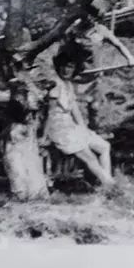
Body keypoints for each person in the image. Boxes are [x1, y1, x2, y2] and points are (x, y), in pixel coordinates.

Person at [42, 51, 114, 187]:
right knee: (90, 157)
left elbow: (74, 108)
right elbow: (50, 113)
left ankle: (105, 182)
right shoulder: (55, 85)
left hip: (70, 126)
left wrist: (82, 127)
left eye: (70, 66)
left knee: (105, 146)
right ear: (58, 66)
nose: (66, 70)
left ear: (75, 68)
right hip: (58, 129)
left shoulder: (68, 84)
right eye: (63, 66)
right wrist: (44, 136)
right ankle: (111, 186)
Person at [58, 9, 134, 127]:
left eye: (92, 18)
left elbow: (118, 44)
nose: (90, 20)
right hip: (77, 75)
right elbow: (62, 52)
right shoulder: (73, 32)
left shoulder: (101, 30)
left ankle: (93, 130)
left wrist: (130, 58)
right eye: (86, 18)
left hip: (94, 75)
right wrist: (63, 69)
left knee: (95, 106)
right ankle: (74, 132)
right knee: (70, 107)